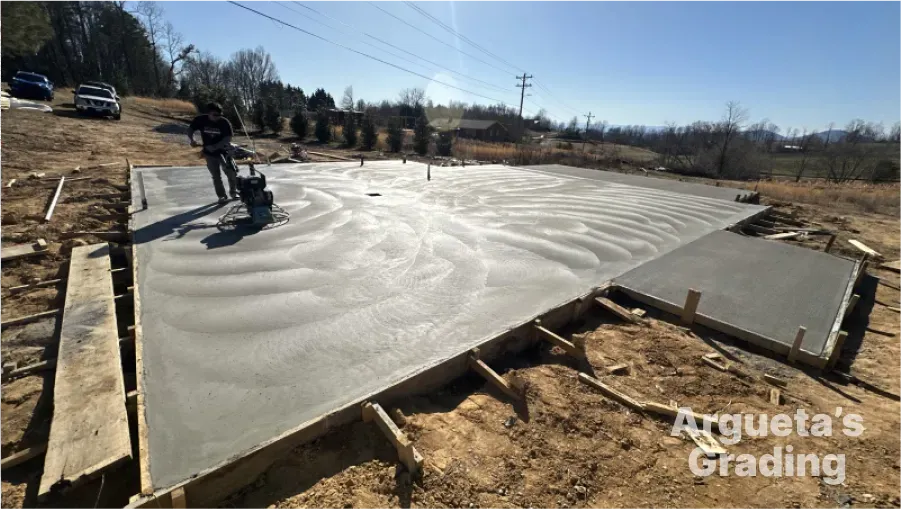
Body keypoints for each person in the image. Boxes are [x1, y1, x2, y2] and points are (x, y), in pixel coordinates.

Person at [189, 102, 236, 203]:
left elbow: (227, 138)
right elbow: (190, 129)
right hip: (209, 154)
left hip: (224, 152)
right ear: (209, 113)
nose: (217, 117)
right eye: (214, 115)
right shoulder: (200, 120)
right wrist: (192, 140)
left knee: (231, 172)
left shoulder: (224, 122)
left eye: (219, 115)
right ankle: (222, 196)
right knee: (216, 176)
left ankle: (234, 192)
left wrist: (215, 146)